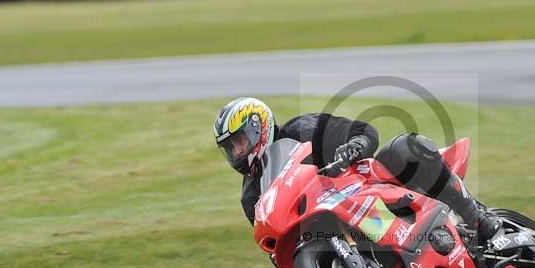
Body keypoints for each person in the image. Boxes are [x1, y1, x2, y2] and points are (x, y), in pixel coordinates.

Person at [213, 97, 501, 242]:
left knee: (403, 147)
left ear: (257, 127)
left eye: (239, 142)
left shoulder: (301, 129)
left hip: (362, 183)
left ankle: (478, 216)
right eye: (231, 148)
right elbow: (274, 241)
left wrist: (353, 146)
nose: (237, 152)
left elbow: (363, 131)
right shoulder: (252, 196)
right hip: (331, 225)